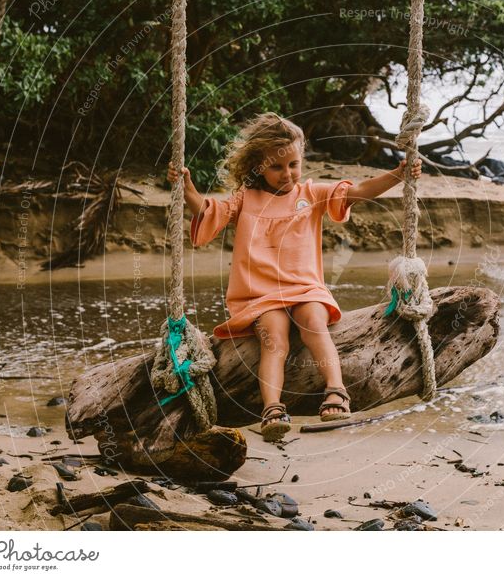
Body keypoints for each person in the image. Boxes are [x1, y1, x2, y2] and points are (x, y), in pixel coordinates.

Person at [167, 112, 421, 441]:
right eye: (277, 167)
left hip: (305, 288)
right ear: (256, 166)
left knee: (314, 323)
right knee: (274, 340)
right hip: (260, 294)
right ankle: (272, 407)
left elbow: (357, 192)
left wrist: (397, 175)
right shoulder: (246, 199)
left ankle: (336, 390)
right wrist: (186, 189)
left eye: (294, 165)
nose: (287, 174)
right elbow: (208, 211)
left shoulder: (311, 194)